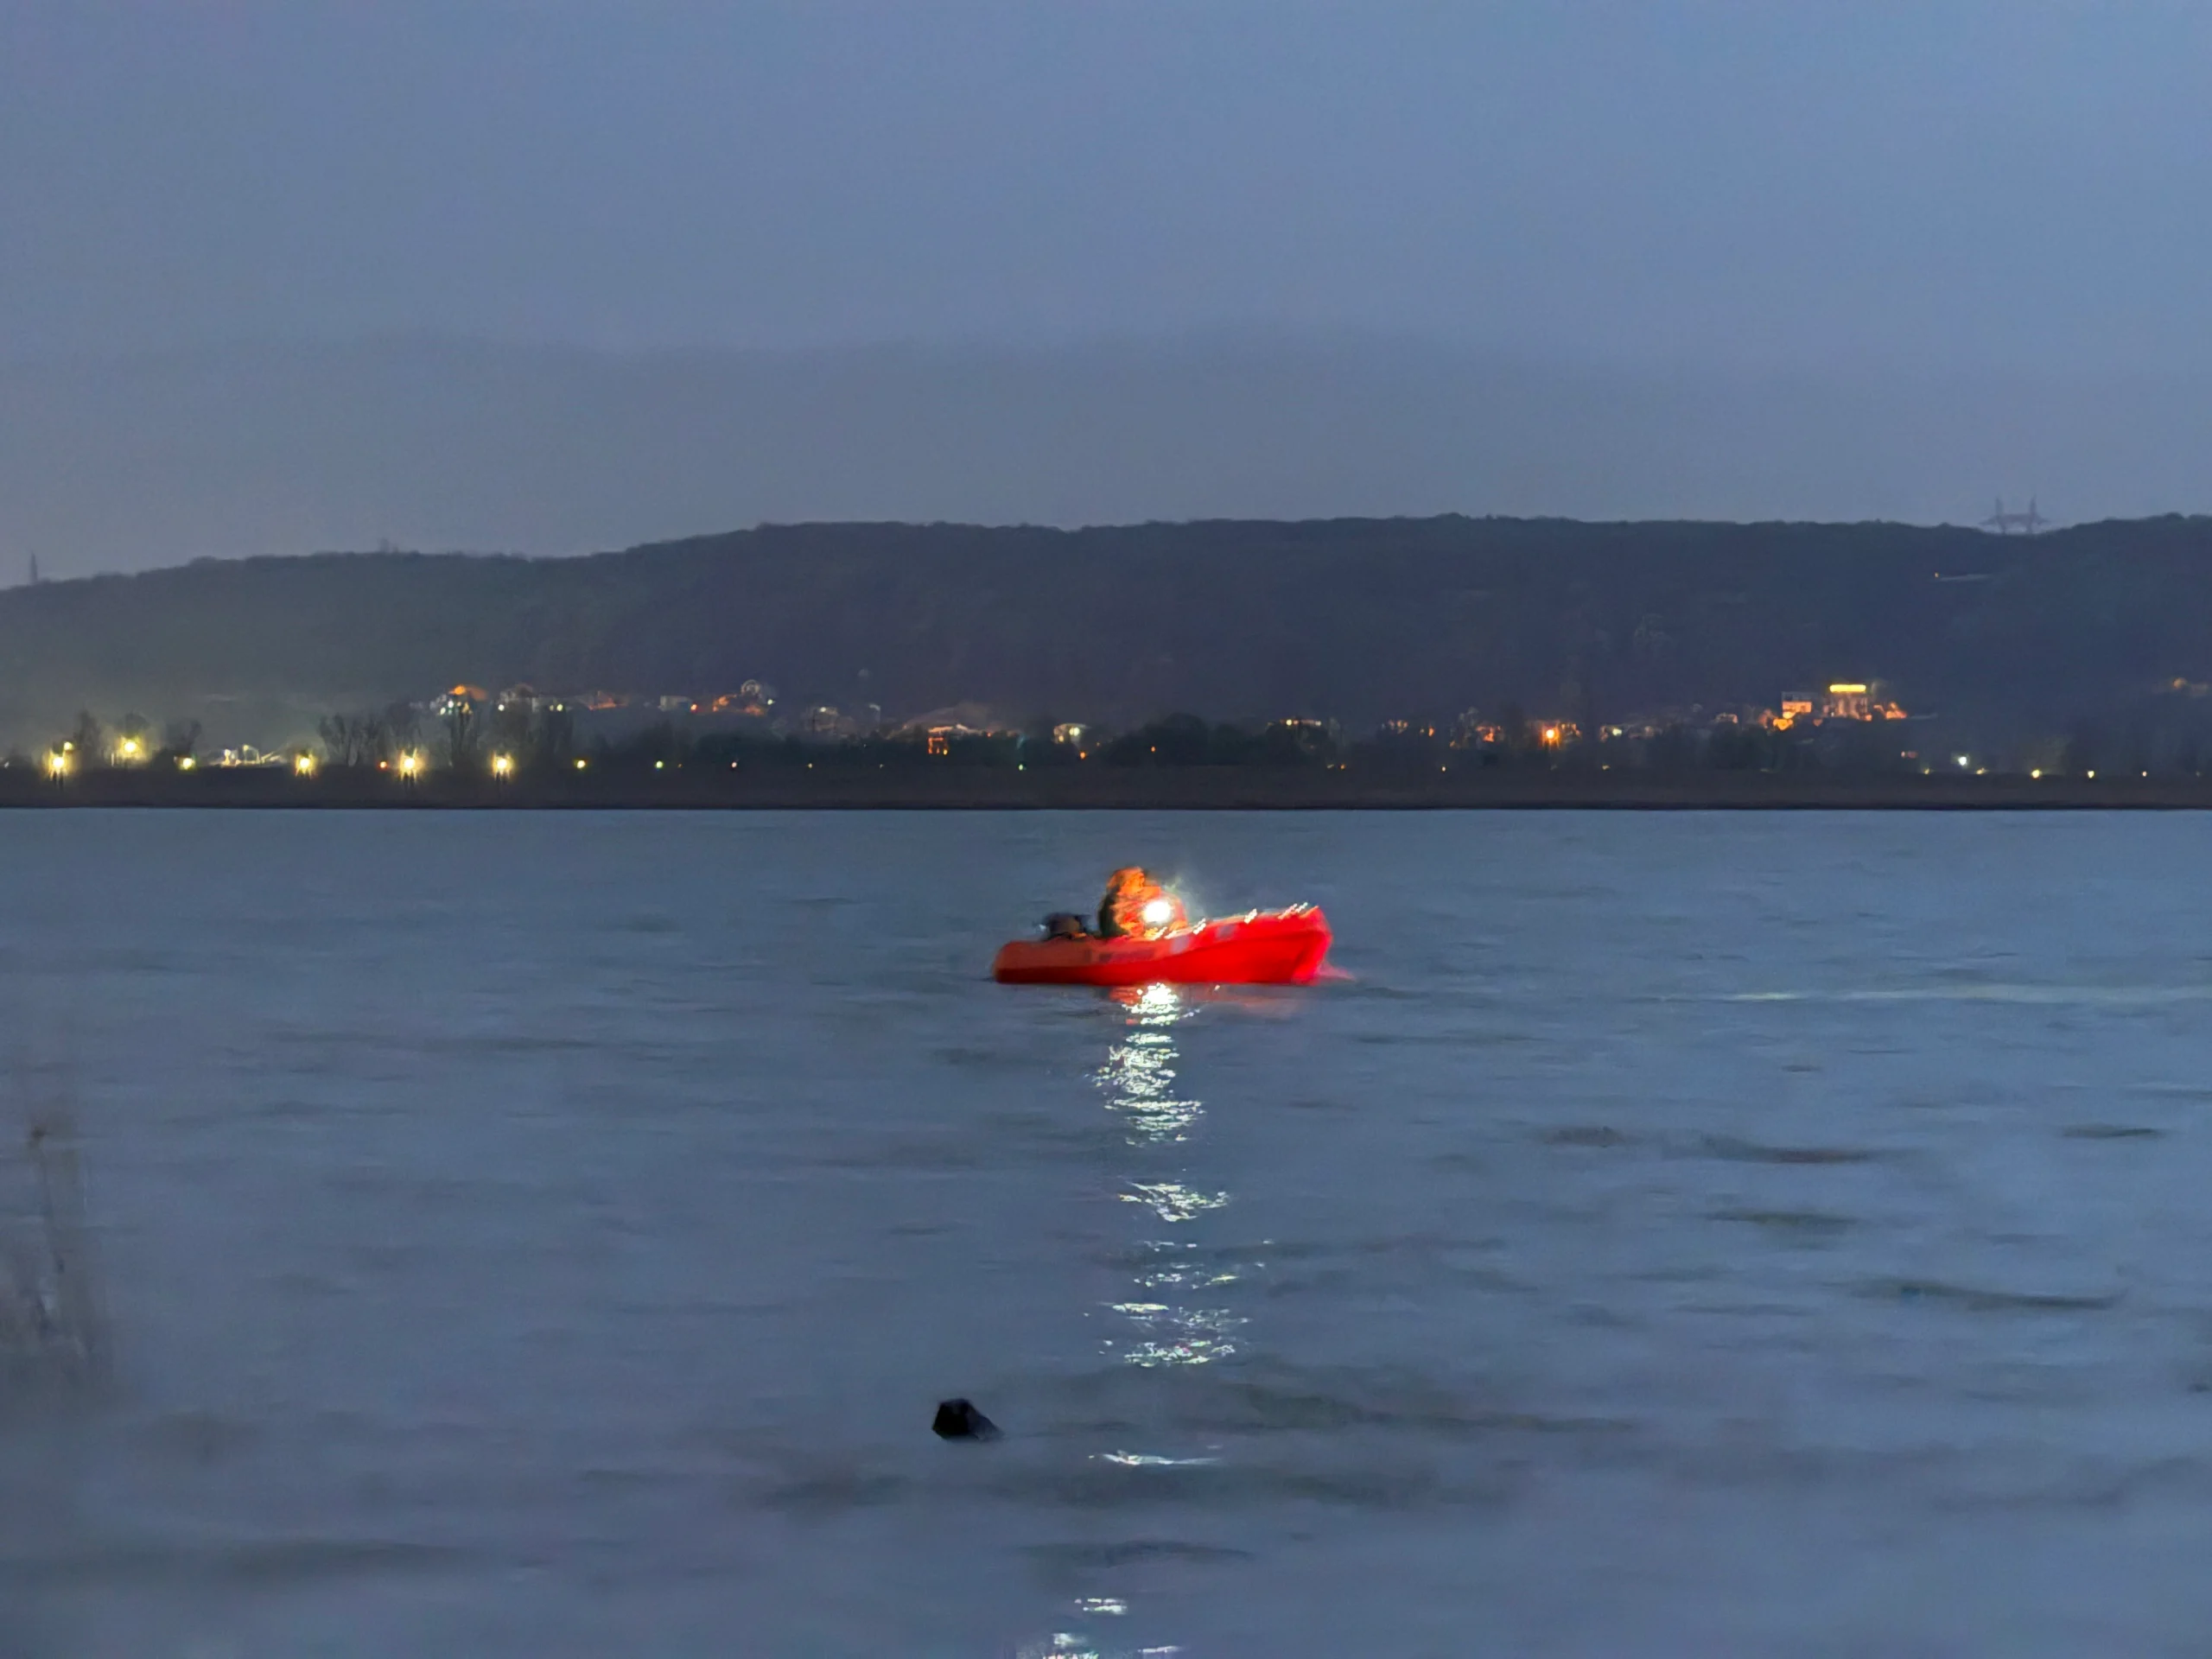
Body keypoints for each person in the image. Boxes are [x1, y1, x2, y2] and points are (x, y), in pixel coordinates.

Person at [1097, 866, 1186, 940]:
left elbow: (1169, 904)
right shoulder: (1112, 904)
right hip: (1124, 947)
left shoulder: (1143, 899)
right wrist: (1129, 930)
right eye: (1136, 879)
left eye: (1141, 879)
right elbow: (1112, 931)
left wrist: (1177, 922)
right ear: (1125, 884)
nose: (1141, 882)